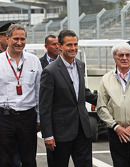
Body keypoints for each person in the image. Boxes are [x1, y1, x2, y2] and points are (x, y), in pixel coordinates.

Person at [39, 29, 97, 167]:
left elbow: (82, 92)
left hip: (83, 130)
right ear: (60, 46)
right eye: (69, 45)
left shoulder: (80, 65)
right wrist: (48, 135)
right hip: (60, 134)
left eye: (75, 44)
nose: (73, 48)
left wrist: (107, 100)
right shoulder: (50, 71)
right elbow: (45, 106)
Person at [0, 24, 42, 166]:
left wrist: (39, 118)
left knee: (29, 160)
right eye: (16, 38)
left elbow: (39, 91)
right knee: (5, 160)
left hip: (27, 118)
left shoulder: (34, 61)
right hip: (4, 117)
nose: (19, 42)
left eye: (22, 39)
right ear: (8, 38)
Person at [39, 35, 59, 167]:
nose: (57, 46)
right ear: (46, 47)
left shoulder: (66, 62)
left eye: (58, 44)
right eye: (53, 44)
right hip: (47, 111)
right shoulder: (38, 63)